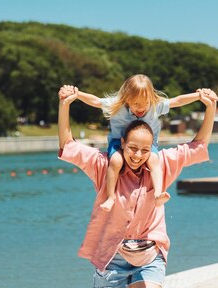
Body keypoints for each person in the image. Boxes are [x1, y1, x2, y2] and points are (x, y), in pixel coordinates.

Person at [57, 84, 218, 288]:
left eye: (144, 150)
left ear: (151, 149)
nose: (137, 155)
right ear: (122, 144)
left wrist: (210, 108)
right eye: (132, 148)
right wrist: (65, 104)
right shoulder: (105, 167)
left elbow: (198, 145)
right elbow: (68, 145)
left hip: (150, 255)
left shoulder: (164, 165)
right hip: (112, 258)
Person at [58, 74, 204, 212]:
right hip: (118, 142)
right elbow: (95, 101)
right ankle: (110, 197)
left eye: (145, 103)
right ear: (127, 99)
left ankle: (158, 193)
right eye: (136, 104)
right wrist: (77, 94)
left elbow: (177, 101)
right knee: (115, 160)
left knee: (154, 159)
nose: (141, 108)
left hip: (147, 144)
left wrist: (199, 95)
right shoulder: (117, 104)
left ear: (151, 99)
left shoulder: (154, 105)